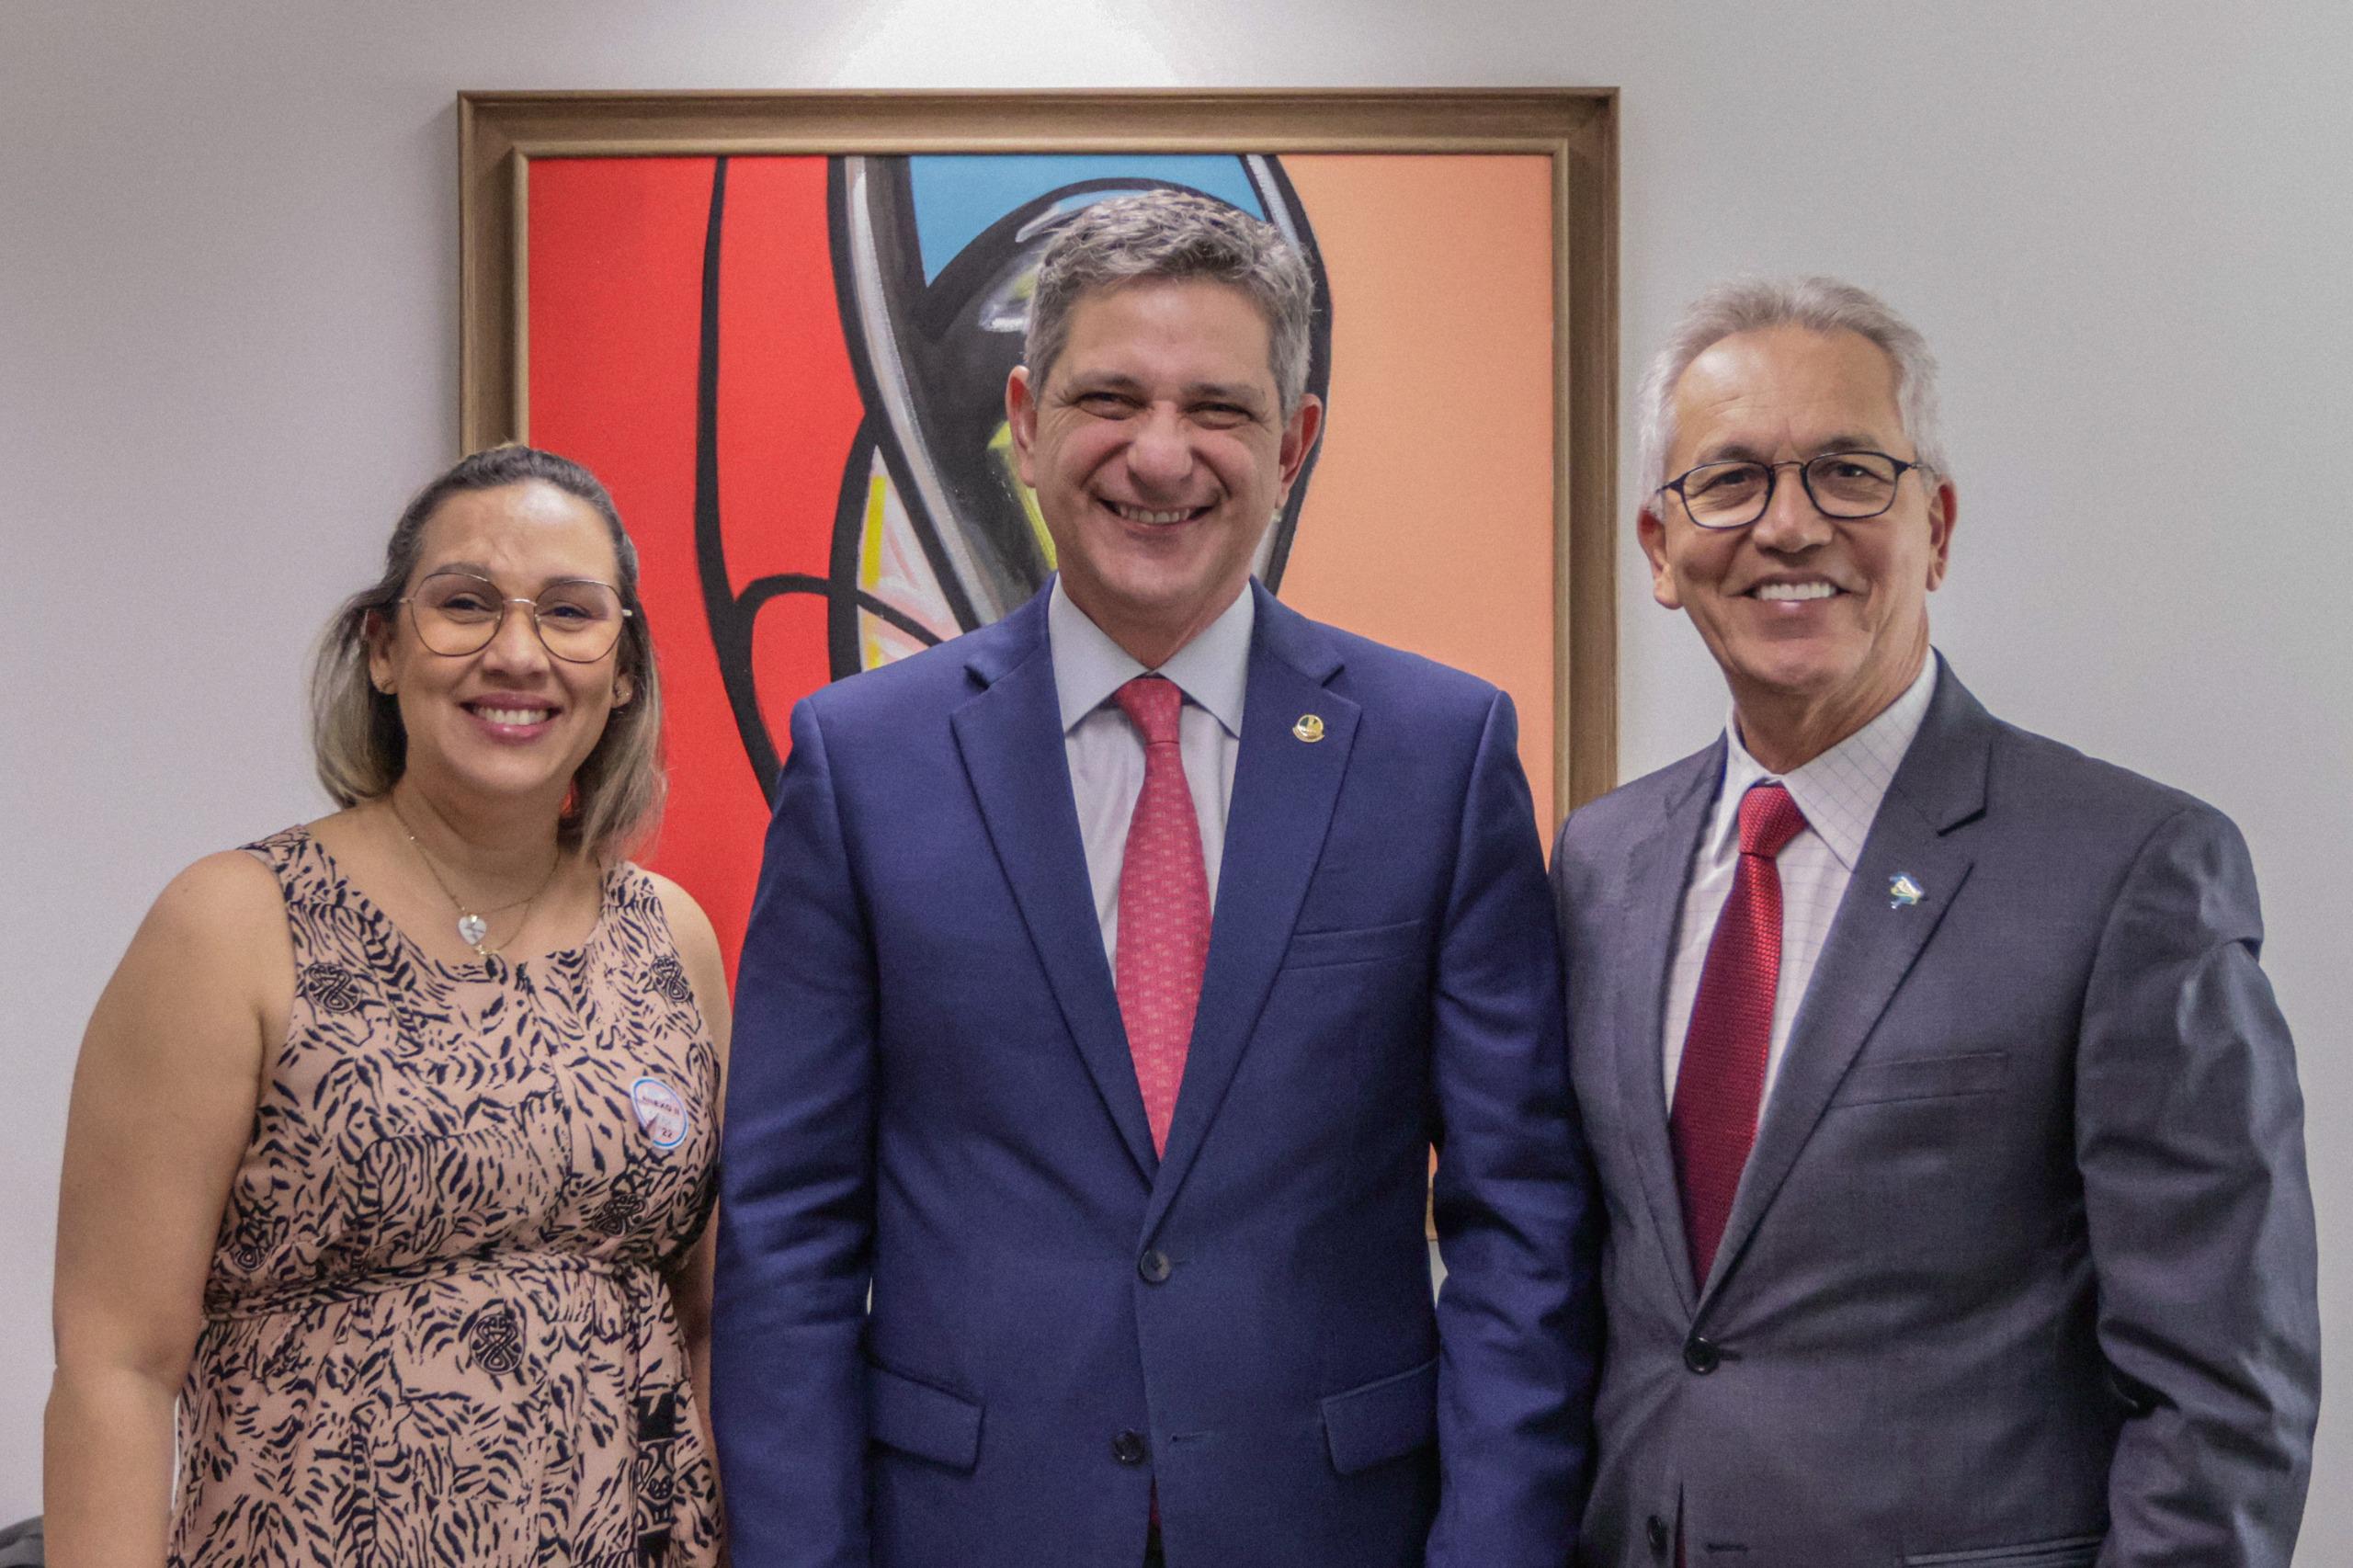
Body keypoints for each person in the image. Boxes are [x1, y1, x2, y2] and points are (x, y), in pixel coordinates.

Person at [711, 189, 1597, 1568]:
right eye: (1110, 397)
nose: (1161, 453)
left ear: (1293, 443)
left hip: (1334, 1530)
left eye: (1219, 409)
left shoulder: (1440, 752)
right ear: (1026, 421)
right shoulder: (862, 759)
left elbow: (1520, 1219)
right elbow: (788, 1233)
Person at [1552, 278, 2319, 1564]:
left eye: (1849, 472)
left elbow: (2223, 1398)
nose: (1789, 524)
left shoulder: (2128, 870)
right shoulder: (1601, 861)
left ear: (1937, 527)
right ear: (1659, 549)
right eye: (1730, 480)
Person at [45, 446, 732, 1563]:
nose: (518, 652)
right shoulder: (231, 924)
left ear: (622, 671)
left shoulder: (673, 937)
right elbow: (116, 1367)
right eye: (465, 603)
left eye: (570, 612)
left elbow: (706, 1327)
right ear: (381, 646)